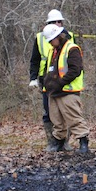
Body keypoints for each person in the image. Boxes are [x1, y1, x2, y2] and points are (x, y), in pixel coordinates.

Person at [29, 9, 76, 151]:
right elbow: (35, 60)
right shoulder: (39, 38)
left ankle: (65, 142)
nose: (58, 24)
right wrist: (33, 78)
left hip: (67, 82)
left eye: (60, 22)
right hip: (47, 81)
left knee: (67, 113)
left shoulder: (70, 36)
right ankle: (52, 142)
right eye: (55, 22)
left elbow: (76, 61)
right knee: (49, 113)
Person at [41, 23, 89, 153]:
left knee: (74, 118)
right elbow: (50, 70)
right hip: (54, 92)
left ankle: (83, 143)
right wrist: (47, 84)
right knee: (57, 121)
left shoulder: (72, 49)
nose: (50, 43)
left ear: (58, 36)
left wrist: (60, 83)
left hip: (68, 91)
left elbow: (75, 70)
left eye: (51, 40)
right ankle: (59, 143)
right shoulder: (53, 51)